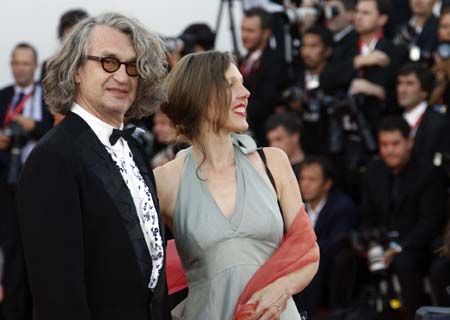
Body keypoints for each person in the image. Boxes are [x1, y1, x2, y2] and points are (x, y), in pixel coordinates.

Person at [16, 13, 170, 320]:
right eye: (109, 62)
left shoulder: (136, 149)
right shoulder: (52, 158)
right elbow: (57, 298)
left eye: (133, 66)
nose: (123, 77)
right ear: (75, 70)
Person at [155, 50, 319, 320]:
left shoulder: (273, 162)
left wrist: (279, 290)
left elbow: (307, 250)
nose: (246, 93)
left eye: (242, 82)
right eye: (231, 85)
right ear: (202, 94)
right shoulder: (164, 181)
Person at [360, 115, 448, 320]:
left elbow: (431, 222)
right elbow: (367, 214)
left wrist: (399, 248)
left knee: (405, 262)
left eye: (395, 143)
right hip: (385, 241)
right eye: (384, 144)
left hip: (420, 245)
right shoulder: (374, 171)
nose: (390, 150)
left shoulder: (429, 173)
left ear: (409, 142)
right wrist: (372, 242)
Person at [0, 42, 53, 320]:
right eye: (16, 62)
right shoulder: (3, 96)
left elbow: (57, 130)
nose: (20, 67)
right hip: (7, 184)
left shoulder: (46, 97)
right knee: (11, 250)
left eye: (25, 63)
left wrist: (34, 127)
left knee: (39, 250)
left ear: (34, 66)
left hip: (40, 186)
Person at [296, 156, 359, 318]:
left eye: (312, 179)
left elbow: (335, 243)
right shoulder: (295, 205)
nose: (305, 184)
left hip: (326, 265)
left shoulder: (342, 206)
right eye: (303, 178)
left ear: (327, 184)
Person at [240, 7, 288, 146]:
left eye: (250, 31)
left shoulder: (275, 61)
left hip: (264, 137)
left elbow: (267, 99)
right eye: (242, 29)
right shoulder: (242, 60)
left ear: (266, 33)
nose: (244, 35)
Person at [396, 63, 450, 165]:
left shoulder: (441, 124)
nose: (402, 90)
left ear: (424, 91)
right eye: (399, 83)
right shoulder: (392, 120)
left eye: (409, 84)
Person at [265, 112, 305, 177]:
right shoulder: (270, 170)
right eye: (270, 141)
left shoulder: (312, 170)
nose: (273, 145)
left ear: (295, 137)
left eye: (279, 139)